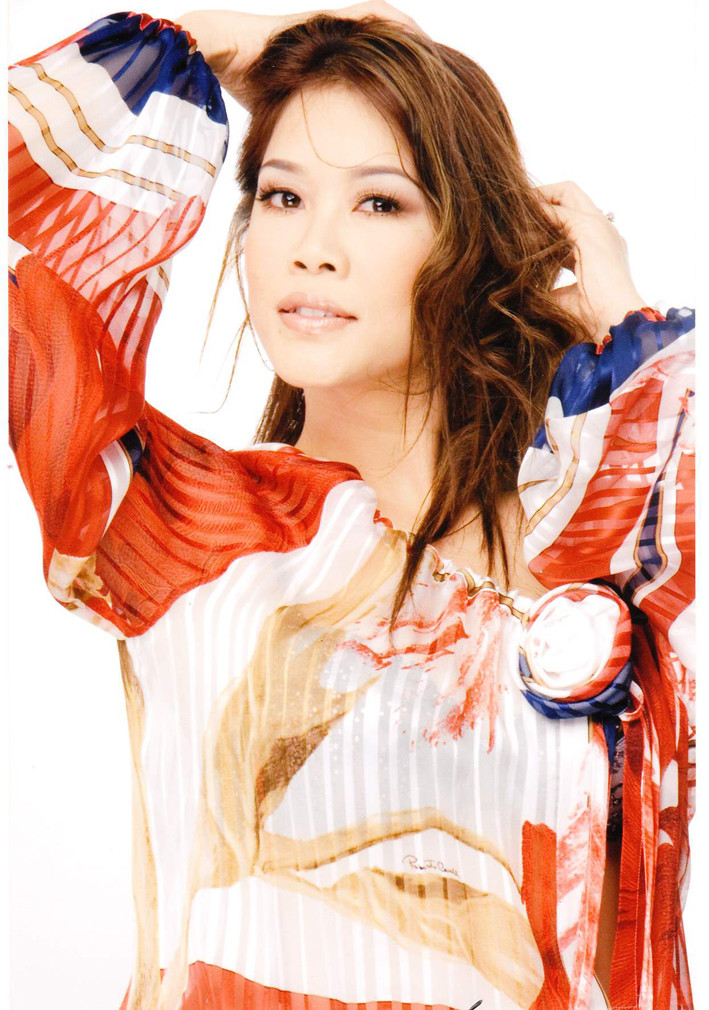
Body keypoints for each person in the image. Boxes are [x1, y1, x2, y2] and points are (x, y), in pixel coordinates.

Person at [7, 3, 695, 1008]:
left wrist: (628, 327)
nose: (312, 247)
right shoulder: (181, 525)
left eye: (378, 202)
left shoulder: (592, 552)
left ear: (469, 243)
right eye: (282, 196)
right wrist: (213, 43)